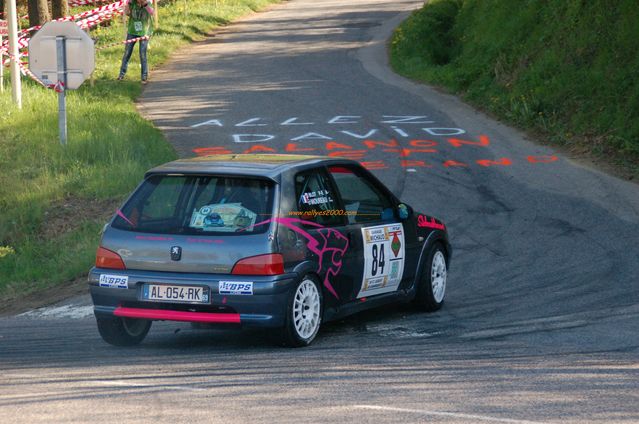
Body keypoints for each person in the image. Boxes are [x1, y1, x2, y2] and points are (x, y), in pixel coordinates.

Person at [117, 0, 154, 84]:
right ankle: (121, 75)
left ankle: (144, 77)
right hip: (132, 31)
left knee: (142, 54)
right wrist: (127, 5)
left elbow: (152, 13)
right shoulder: (132, 3)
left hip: (144, 32)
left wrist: (145, 5)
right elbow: (126, 13)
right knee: (127, 53)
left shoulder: (147, 3)